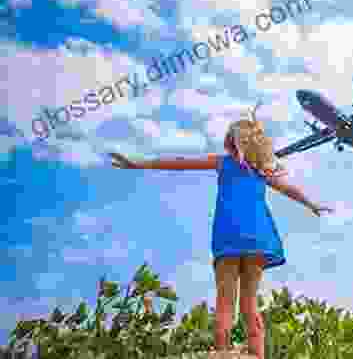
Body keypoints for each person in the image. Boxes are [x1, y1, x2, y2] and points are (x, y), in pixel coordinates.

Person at [108, 104, 334, 358]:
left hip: (228, 238)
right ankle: (257, 354)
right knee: (249, 304)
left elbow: (179, 163)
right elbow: (289, 189)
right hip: (258, 238)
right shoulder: (262, 171)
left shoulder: (223, 163)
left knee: (226, 302)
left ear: (232, 143)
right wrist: (311, 204)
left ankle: (223, 352)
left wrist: (137, 164)